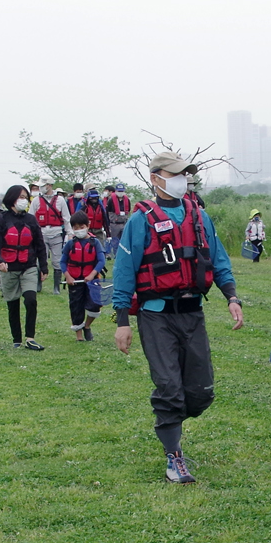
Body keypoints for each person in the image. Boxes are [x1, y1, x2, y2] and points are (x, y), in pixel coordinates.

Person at [111, 150, 244, 483]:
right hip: (156, 316)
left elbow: (218, 259)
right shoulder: (140, 219)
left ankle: (171, 419)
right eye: (175, 174)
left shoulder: (200, 216)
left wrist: (231, 297)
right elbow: (125, 271)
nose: (182, 180)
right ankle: (174, 455)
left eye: (185, 174)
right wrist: (122, 321)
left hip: (192, 314)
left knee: (201, 393)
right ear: (156, 179)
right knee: (169, 387)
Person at [0, 184, 49, 348]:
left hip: (28, 266)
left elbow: (39, 244)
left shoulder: (30, 220)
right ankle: (17, 339)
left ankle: (30, 338)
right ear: (12, 199)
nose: (24, 200)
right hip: (8, 267)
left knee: (31, 300)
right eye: (21, 197)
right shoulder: (1, 219)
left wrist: (43, 267)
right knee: (13, 304)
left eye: (26, 197)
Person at [61, 211, 108, 341]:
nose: (79, 230)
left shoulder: (95, 242)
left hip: (92, 281)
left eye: (81, 227)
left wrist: (92, 274)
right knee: (76, 307)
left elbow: (101, 261)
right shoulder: (70, 244)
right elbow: (63, 261)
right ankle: (79, 335)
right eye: (75, 228)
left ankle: (87, 326)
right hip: (75, 281)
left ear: (88, 225)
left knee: (95, 305)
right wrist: (68, 276)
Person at [34, 180, 70, 294]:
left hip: (56, 233)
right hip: (41, 234)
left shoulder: (60, 200)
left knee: (57, 260)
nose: (40, 188)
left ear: (49, 186)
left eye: (42, 186)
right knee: (40, 260)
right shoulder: (36, 200)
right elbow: (30, 218)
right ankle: (38, 284)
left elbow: (66, 218)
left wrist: (70, 234)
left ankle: (56, 287)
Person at [101, 183, 132, 258]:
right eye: (119, 191)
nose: (120, 193)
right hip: (114, 223)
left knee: (124, 240)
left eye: (122, 191)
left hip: (124, 222)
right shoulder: (111, 200)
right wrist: (107, 224)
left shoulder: (127, 200)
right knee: (114, 240)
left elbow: (129, 209)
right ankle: (116, 255)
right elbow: (107, 211)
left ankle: (124, 254)